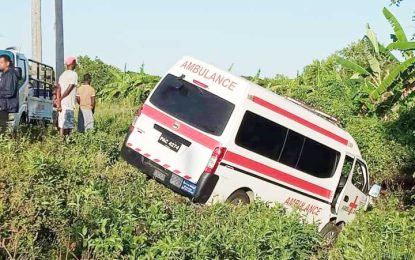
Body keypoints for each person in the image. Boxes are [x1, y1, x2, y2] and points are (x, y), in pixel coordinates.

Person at [58, 56, 78, 136]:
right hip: (68, 103)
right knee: (68, 126)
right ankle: (67, 142)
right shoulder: (74, 74)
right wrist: (62, 97)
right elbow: (70, 88)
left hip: (62, 103)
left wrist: (59, 100)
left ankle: (61, 141)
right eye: (75, 63)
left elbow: (58, 88)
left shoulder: (62, 75)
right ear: (72, 63)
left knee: (62, 124)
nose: (76, 64)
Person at [0, 54, 18, 133]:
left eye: (1, 63)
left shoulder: (10, 74)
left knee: (2, 129)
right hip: (3, 105)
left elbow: (9, 92)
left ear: (7, 63)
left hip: (5, 106)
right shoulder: (4, 74)